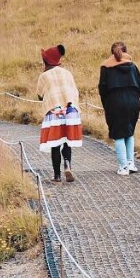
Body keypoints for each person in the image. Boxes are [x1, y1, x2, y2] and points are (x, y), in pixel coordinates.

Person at [36, 45, 83, 184]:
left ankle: (57, 176)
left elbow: (39, 95)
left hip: (54, 111)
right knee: (66, 141)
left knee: (55, 144)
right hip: (70, 110)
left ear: (47, 61)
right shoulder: (67, 73)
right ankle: (67, 165)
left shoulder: (44, 76)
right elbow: (75, 91)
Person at [98, 42, 140, 175]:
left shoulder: (106, 66)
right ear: (125, 51)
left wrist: (107, 103)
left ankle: (123, 167)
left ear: (112, 53)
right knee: (130, 132)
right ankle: (131, 163)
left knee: (118, 134)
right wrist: (134, 96)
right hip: (133, 100)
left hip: (115, 101)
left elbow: (102, 88)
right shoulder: (132, 65)